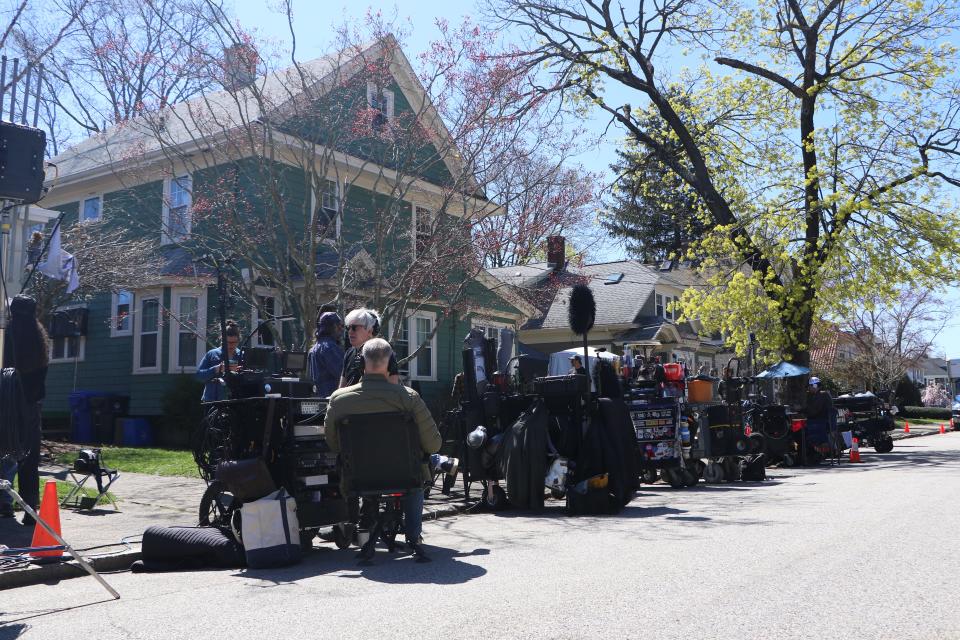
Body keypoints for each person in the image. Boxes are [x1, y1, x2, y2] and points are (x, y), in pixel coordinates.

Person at [324, 338, 441, 558]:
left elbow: (332, 443)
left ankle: (361, 527)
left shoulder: (339, 400)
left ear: (361, 365)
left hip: (359, 478)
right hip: (405, 476)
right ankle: (413, 537)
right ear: (390, 364)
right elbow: (433, 444)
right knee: (420, 470)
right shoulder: (409, 398)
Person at [2, 295, 49, 525]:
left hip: (10, 405)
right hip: (33, 405)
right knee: (29, 459)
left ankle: (4, 503)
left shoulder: (10, 335)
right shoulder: (40, 339)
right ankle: (30, 509)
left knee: (6, 453)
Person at [339, 308, 399, 387]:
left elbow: (393, 388)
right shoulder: (349, 353)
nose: (350, 332)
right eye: (348, 328)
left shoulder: (385, 352)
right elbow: (341, 387)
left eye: (354, 327)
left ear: (370, 331)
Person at [195, 320, 242, 402]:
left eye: (234, 342)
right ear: (222, 340)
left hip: (236, 400)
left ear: (238, 340)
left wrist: (240, 371)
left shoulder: (242, 355)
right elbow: (199, 376)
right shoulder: (212, 354)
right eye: (228, 342)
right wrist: (216, 369)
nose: (231, 345)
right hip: (212, 400)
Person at [307, 310, 344, 398]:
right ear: (335, 326)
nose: (342, 329)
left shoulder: (313, 350)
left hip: (318, 399)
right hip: (332, 400)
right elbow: (343, 374)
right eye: (340, 326)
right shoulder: (330, 348)